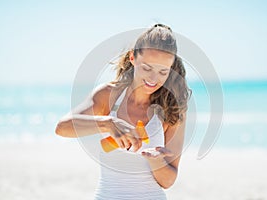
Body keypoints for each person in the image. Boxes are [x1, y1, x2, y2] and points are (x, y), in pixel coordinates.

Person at [55, 23, 191, 200]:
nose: (153, 78)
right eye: (147, 68)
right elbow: (62, 128)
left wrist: (155, 160)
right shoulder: (108, 95)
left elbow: (168, 181)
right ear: (133, 57)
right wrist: (107, 124)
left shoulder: (172, 109)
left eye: (163, 72)